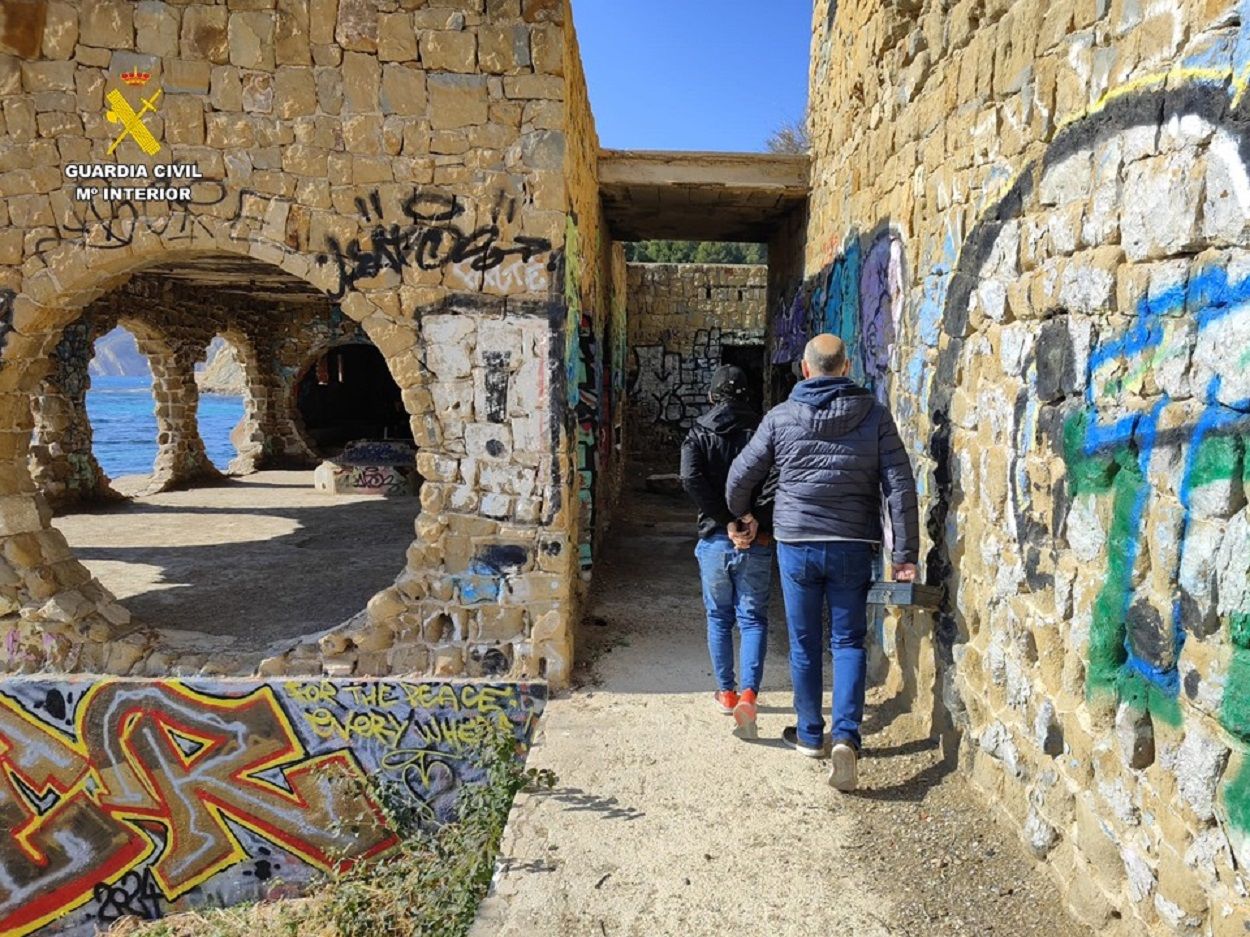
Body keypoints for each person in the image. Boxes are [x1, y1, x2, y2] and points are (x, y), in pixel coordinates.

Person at [725, 334, 919, 791]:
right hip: (854, 542)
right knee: (849, 641)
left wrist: (743, 515)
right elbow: (900, 486)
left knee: (805, 641)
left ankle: (811, 733)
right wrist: (905, 554)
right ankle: (846, 739)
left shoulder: (781, 417)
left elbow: (740, 476)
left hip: (797, 543)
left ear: (805, 369)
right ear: (846, 365)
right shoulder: (874, 415)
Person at [680, 364, 776, 740]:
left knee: (719, 617)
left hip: (715, 540)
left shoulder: (698, 432)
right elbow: (777, 477)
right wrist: (753, 519)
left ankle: (726, 692)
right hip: (757, 538)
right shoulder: (764, 428)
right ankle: (750, 693)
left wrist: (724, 520)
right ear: (748, 396)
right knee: (752, 619)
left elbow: (690, 478)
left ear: (711, 397)